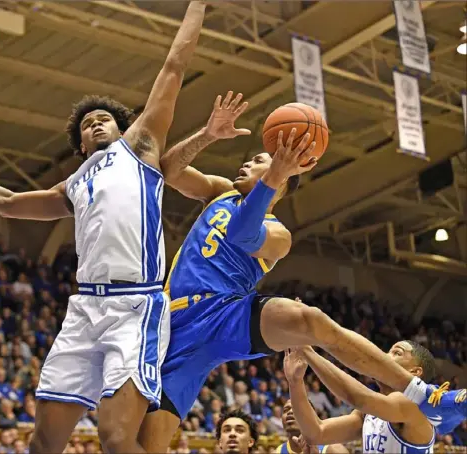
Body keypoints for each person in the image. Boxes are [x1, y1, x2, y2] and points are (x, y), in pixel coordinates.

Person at [0, 3, 207, 452]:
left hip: (135, 307)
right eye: (86, 123)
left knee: (116, 439)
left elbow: (174, 67)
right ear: (80, 145)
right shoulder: (75, 183)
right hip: (84, 312)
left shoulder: (139, 150)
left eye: (104, 118)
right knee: (44, 441)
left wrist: (197, 4)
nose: (96, 121)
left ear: (122, 128)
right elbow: (5, 201)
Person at [138, 92, 422, 452]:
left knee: (307, 319)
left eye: (258, 160)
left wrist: (275, 173)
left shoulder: (278, 234)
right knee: (142, 445)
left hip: (222, 315)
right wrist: (208, 134)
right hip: (168, 322)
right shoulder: (220, 192)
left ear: (281, 179)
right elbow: (168, 169)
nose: (245, 165)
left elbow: (242, 232)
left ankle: (416, 390)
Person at [283, 342, 436, 453]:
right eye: (387, 351)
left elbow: (357, 398)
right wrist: (295, 382)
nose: (385, 356)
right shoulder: (368, 414)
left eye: (397, 353)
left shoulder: (415, 404)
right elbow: (317, 433)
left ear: (415, 372)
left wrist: (307, 351)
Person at [275, 400, 348, 454]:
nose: (290, 412)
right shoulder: (277, 452)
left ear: (313, 416)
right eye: (285, 410)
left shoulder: (335, 450)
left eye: (297, 408)